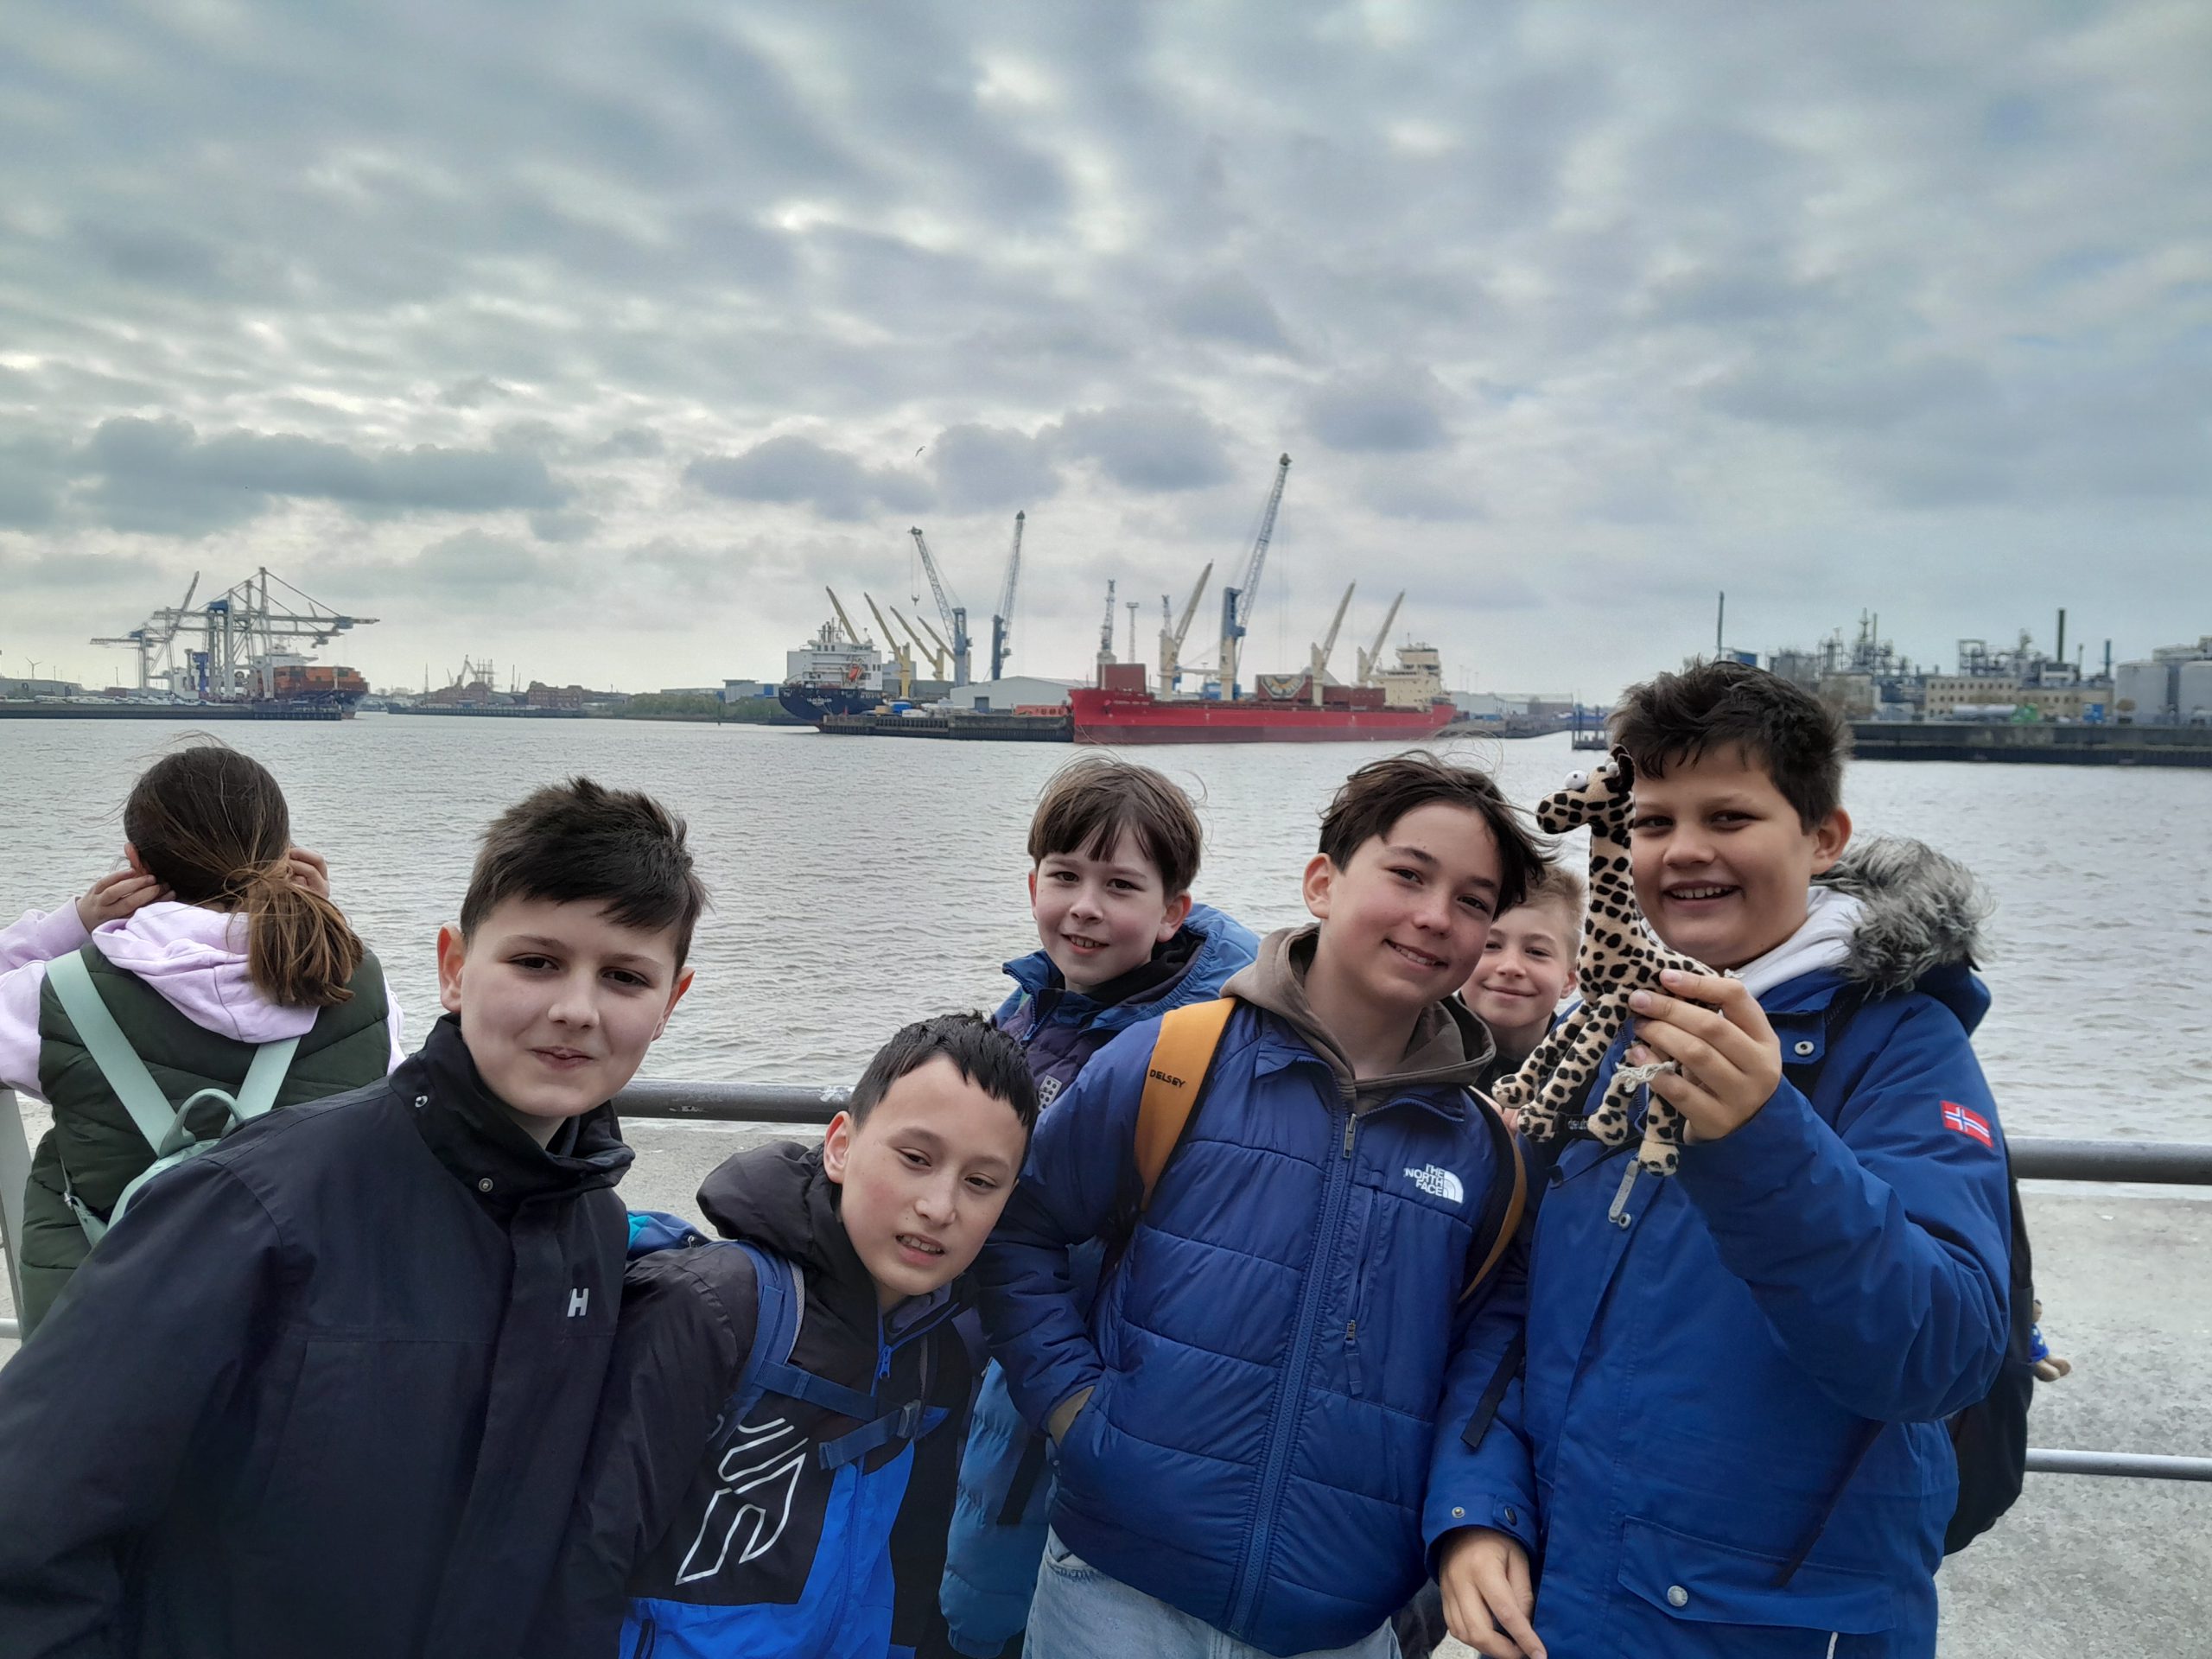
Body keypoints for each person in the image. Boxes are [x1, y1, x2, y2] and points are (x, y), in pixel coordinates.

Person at [0, 776, 702, 1659]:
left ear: (670, 1003)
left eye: (625, 977)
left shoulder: (592, 1235)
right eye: (535, 962)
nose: (575, 1009)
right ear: (453, 969)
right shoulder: (249, 1207)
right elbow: (30, 1524)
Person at [1432, 660, 2012, 1659]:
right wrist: (1479, 1506)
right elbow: (1515, 1301)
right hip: (1566, 1609)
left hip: (1778, 1629)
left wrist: (1759, 1138)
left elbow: (1942, 1355)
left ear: (1822, 837)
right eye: (1652, 822)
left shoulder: (1901, 1046)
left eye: (1729, 816)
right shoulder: (1609, 1033)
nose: (1684, 850)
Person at [976, 751, 1545, 1659]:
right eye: (1407, 875)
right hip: (1113, 1587)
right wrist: (1076, 1413)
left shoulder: (1488, 1153)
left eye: (1473, 901)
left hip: (1338, 1618)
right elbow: (1020, 1228)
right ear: (1322, 882)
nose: (1437, 916)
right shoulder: (1176, 1060)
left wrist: (1468, 1518)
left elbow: (1488, 1361)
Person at [537, 1013, 1039, 1659]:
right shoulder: (714, 1309)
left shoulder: (938, 1351)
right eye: (916, 1159)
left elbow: (909, 1563)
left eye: (980, 1182)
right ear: (840, 1146)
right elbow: (584, 1560)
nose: (939, 1207)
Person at [943, 755, 1257, 1659]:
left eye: (1119, 886)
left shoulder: (1193, 1048)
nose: (1083, 908)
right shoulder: (1036, 1001)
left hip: (1080, 1372)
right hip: (986, 1345)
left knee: (1013, 1586)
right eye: (1065, 877)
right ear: (1031, 884)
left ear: (1172, 912)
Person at [0, 743, 402, 1338]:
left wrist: (73, 924)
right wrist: (317, 923)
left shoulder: (60, 992)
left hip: (104, 1338)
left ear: (135, 862)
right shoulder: (359, 987)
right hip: (300, 1328)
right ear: (286, 856)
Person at [1460, 862, 1584, 1090]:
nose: (1510, 966)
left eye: (1537, 952)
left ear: (1570, 980)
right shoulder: (1412, 1046)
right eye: (1491, 945)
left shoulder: (1589, 1073)